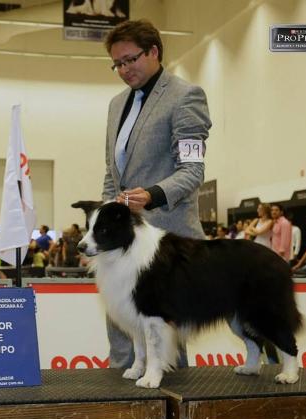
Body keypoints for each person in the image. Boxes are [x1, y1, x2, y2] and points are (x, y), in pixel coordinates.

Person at [101, 19, 211, 370]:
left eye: (130, 60)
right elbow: (112, 174)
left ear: (154, 52)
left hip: (167, 240)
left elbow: (193, 171)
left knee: (164, 342)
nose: (123, 69)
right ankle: (124, 410)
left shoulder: (185, 96)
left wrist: (152, 194)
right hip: (123, 243)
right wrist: (104, 219)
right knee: (122, 336)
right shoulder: (116, 104)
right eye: (117, 63)